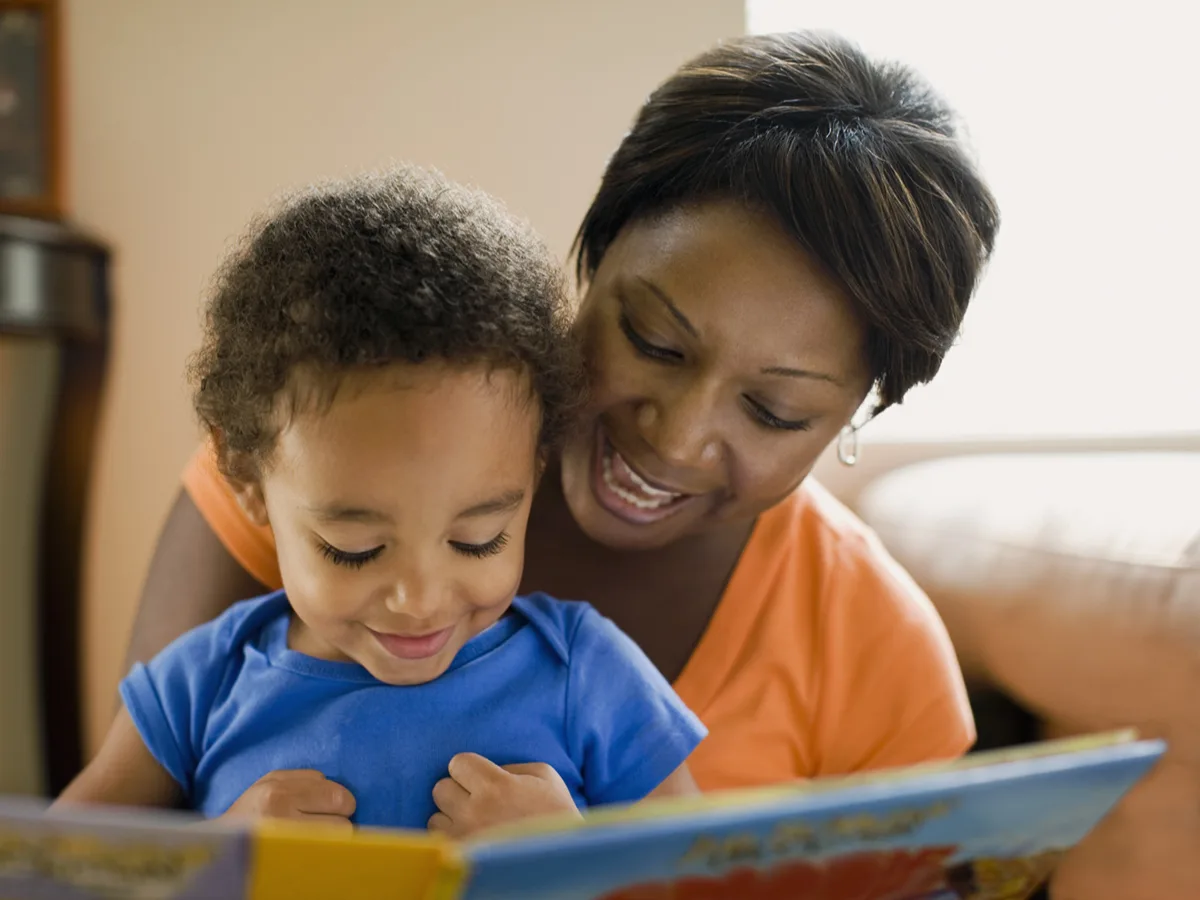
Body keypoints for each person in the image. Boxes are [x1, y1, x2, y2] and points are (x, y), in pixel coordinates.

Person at [125, 31, 1000, 791]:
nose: (677, 437)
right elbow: (127, 838)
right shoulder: (326, 460)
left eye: (773, 412)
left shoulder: (873, 648)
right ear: (596, 250)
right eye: (655, 342)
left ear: (860, 410)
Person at [56, 168, 705, 833]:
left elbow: (714, 881)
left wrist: (569, 858)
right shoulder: (198, 688)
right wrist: (219, 863)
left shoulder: (586, 674)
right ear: (247, 482)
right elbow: (44, 876)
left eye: (478, 539)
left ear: (532, 473)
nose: (420, 600)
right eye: (355, 551)